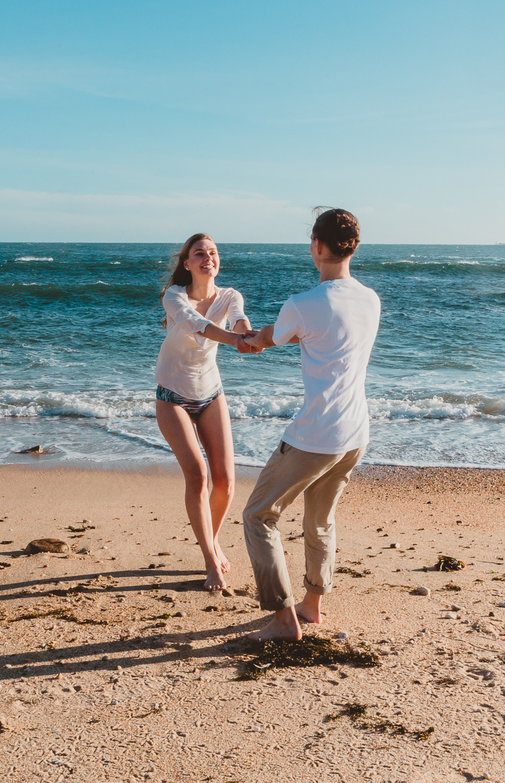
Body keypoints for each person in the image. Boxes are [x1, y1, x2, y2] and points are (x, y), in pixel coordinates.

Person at [237, 208, 380, 640]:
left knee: (259, 516)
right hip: (355, 432)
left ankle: (283, 620)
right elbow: (317, 335)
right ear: (352, 246)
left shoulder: (302, 304)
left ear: (317, 246)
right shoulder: (370, 299)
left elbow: (270, 337)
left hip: (316, 434)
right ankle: (312, 607)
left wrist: (248, 337)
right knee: (320, 520)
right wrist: (277, 334)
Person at [155, 233, 255, 591]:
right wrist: (236, 341)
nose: (207, 257)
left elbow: (239, 319)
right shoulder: (174, 296)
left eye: (213, 252)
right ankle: (211, 560)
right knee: (197, 475)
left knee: (226, 481)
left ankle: (210, 539)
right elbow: (197, 325)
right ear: (187, 263)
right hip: (172, 395)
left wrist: (248, 334)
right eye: (200, 253)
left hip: (211, 393)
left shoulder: (229, 296)